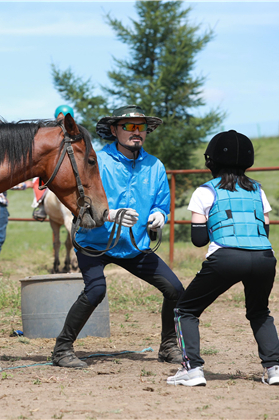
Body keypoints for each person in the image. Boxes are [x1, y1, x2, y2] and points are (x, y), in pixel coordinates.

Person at [52, 105, 184, 368]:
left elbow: (160, 202)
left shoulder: (155, 166)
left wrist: (159, 216)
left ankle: (168, 346)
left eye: (141, 127)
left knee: (176, 290)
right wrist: (109, 214)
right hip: (94, 243)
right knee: (96, 290)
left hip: (134, 246)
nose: (137, 132)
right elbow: (81, 202)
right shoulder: (96, 160)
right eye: (130, 127)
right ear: (114, 130)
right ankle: (61, 349)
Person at [167, 130, 279, 387]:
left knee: (185, 310)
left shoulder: (205, 192)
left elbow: (199, 240)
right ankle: (276, 368)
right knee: (259, 311)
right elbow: (263, 230)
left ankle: (192, 369)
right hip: (265, 257)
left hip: (226, 257)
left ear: (211, 161)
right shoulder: (258, 190)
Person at [31, 105, 75, 221]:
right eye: (59, 117)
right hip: (55, 165)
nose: (61, 119)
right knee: (37, 180)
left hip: (69, 164)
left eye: (63, 117)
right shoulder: (51, 130)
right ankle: (41, 206)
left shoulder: (74, 131)